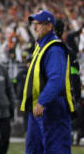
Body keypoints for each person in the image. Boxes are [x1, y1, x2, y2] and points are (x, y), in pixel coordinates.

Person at [20, 10, 75, 154]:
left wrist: (42, 101)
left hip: (51, 108)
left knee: (55, 149)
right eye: (34, 24)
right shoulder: (40, 47)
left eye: (39, 24)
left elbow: (57, 79)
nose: (34, 27)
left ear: (50, 26)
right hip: (38, 110)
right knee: (34, 149)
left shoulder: (54, 48)